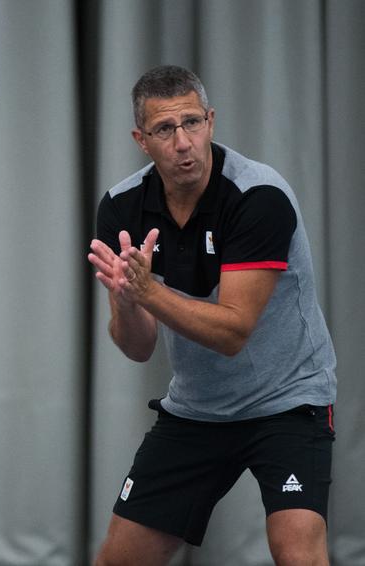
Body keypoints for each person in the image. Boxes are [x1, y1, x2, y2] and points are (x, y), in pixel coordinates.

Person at [87, 65, 337, 566]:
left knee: (298, 552)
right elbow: (137, 348)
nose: (183, 143)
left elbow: (232, 331)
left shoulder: (258, 197)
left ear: (211, 123)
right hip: (197, 409)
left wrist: (148, 293)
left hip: (288, 400)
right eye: (164, 129)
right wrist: (128, 300)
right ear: (141, 139)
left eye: (193, 123)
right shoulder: (122, 207)